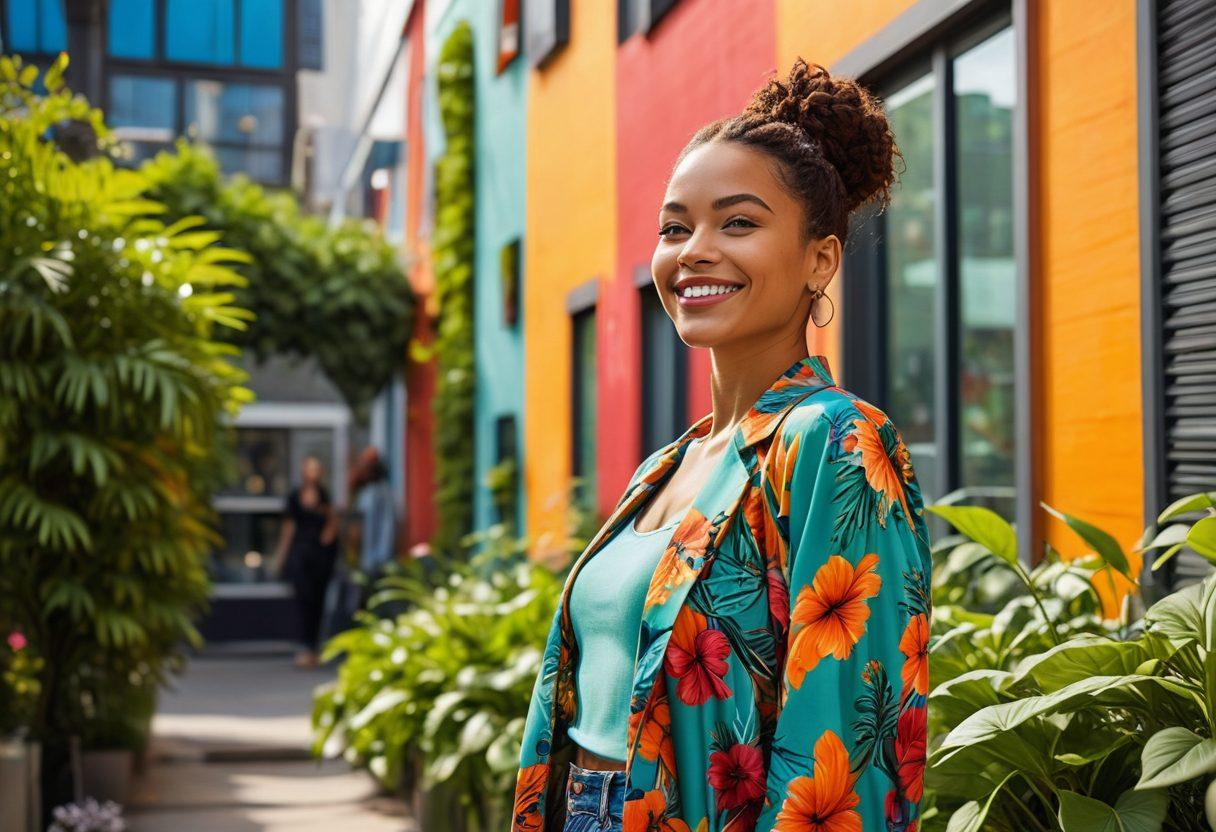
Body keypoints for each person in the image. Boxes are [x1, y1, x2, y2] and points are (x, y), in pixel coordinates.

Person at [511, 58, 933, 832]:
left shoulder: (834, 441)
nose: (695, 250)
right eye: (676, 228)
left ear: (820, 259)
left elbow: (846, 757)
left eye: (738, 223)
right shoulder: (665, 467)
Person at [272, 455, 339, 669]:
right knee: (303, 600)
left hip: (320, 557)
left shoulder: (324, 495)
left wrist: (327, 538)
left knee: (318, 602)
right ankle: (304, 647)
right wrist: (281, 557)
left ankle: (314, 647)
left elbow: (332, 521)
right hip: (301, 556)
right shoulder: (294, 496)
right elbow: (289, 529)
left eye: (316, 469)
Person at [347, 446, 398, 608]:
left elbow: (387, 528)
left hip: (377, 561)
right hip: (365, 560)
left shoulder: (381, 493)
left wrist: (382, 559)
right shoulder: (365, 492)